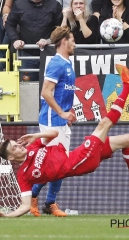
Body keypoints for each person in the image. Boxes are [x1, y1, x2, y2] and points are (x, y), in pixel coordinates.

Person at [0, 64, 129, 217]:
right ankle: (128, 86)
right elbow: (24, 206)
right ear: (11, 157)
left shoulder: (33, 146)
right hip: (79, 162)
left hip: (76, 154)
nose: (18, 146)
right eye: (14, 148)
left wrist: (36, 136)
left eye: (16, 143)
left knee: (127, 140)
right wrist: (6, 216)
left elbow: (54, 134)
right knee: (104, 124)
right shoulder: (23, 175)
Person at [29, 26, 76, 218]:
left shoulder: (67, 63)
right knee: (54, 164)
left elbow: (63, 92)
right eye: (72, 40)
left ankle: (49, 203)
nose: (75, 44)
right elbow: (46, 92)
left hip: (60, 120)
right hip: (51, 120)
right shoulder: (56, 63)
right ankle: (32, 197)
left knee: (61, 165)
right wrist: (61, 113)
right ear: (64, 41)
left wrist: (69, 112)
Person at [5, 0, 62, 81]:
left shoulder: (55, 5)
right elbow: (9, 24)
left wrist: (49, 40)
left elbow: (60, 29)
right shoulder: (19, 4)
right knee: (26, 90)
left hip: (49, 54)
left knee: (50, 89)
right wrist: (15, 39)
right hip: (27, 55)